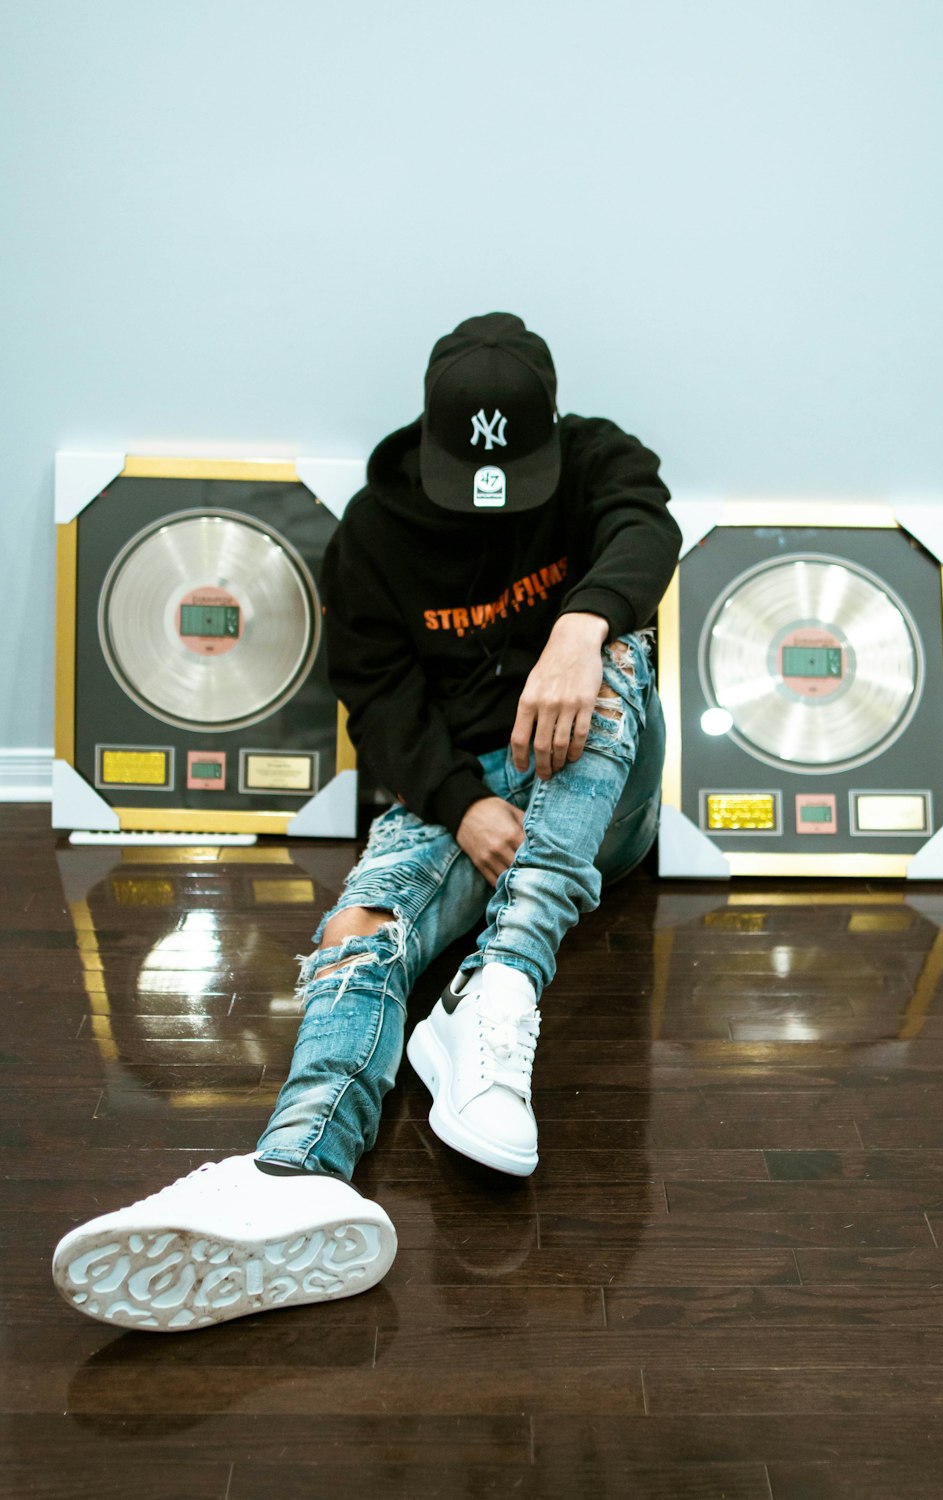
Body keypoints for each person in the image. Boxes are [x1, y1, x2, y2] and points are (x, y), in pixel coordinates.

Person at [51, 312, 682, 1332]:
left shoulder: (600, 461)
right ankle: (295, 1166)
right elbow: (380, 700)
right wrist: (462, 802)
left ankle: (504, 982)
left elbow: (646, 526)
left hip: (601, 792)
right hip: (467, 791)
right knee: (360, 931)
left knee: (615, 659)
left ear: (552, 438)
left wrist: (578, 623)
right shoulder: (376, 532)